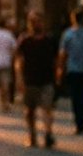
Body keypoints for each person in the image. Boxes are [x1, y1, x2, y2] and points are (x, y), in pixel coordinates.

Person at [16, 10, 58, 148]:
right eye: (33, 21)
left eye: (38, 21)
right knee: (30, 110)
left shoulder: (49, 40)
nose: (36, 24)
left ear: (42, 23)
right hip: (30, 80)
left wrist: (57, 76)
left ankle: (48, 134)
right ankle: (32, 135)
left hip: (47, 80)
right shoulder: (24, 40)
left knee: (47, 108)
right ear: (29, 23)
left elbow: (55, 60)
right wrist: (20, 79)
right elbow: (19, 61)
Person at [58, 8, 83, 135]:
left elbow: (63, 53)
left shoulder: (68, 34)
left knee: (76, 96)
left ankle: (78, 122)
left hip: (73, 69)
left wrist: (60, 69)